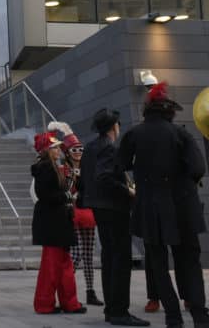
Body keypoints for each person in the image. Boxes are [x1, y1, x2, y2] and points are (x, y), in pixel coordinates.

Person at [118, 83, 209, 328]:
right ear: (169, 111)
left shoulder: (134, 134)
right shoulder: (181, 134)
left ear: (147, 110)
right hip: (182, 206)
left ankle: (172, 317)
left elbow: (122, 163)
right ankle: (200, 315)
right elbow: (198, 168)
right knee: (189, 260)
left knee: (158, 263)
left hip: (150, 206)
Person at [79, 108, 148, 326]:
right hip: (113, 209)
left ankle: (112, 309)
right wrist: (128, 190)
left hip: (98, 208)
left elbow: (86, 179)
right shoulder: (108, 148)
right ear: (113, 127)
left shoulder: (90, 147)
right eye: (118, 125)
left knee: (110, 258)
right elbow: (104, 177)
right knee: (120, 258)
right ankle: (119, 310)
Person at [30, 131, 85, 315]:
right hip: (52, 223)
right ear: (47, 150)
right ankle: (45, 304)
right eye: (54, 147)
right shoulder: (46, 168)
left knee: (63, 266)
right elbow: (45, 195)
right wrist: (67, 195)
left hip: (59, 222)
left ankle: (70, 302)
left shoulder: (54, 167)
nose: (58, 150)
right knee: (53, 267)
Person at [51, 122, 102, 308]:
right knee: (76, 254)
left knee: (88, 255)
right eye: (74, 149)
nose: (78, 152)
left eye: (80, 148)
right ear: (67, 151)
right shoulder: (65, 170)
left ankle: (90, 291)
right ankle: (66, 292)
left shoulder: (88, 169)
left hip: (87, 213)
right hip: (72, 213)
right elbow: (64, 189)